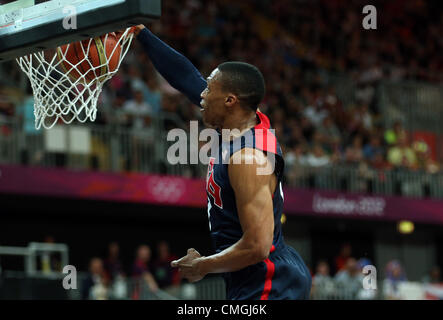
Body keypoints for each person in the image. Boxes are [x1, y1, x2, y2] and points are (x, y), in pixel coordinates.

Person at [133, 25, 311, 300]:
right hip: (252, 278)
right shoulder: (240, 121)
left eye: (210, 90)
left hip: (266, 283)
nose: (202, 94)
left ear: (230, 101)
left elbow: (257, 246)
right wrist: (141, 33)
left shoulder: (248, 157)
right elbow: (186, 78)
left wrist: (203, 265)